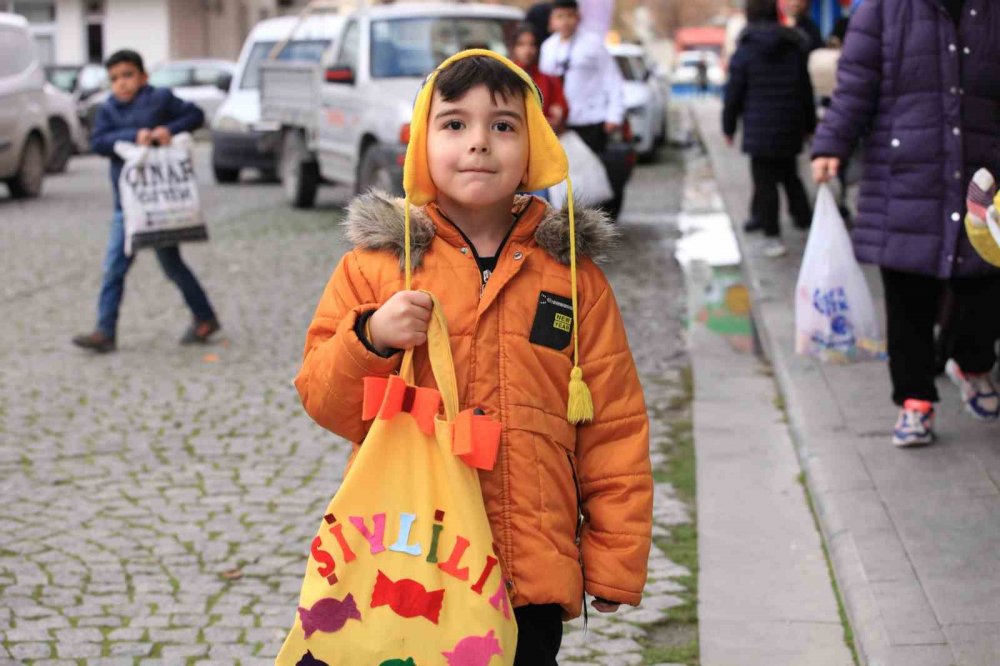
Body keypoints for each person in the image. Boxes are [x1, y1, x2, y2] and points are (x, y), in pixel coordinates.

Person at [293, 51, 652, 665]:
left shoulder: (572, 277)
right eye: (455, 124)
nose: (479, 143)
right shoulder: (378, 267)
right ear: (420, 145)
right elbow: (326, 401)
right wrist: (372, 336)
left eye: (503, 126)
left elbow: (614, 424)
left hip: (528, 571)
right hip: (415, 562)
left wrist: (616, 556)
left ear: (534, 145)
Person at [812, 0, 1000, 446]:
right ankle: (915, 402)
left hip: (983, 174)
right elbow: (855, 85)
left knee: (988, 279)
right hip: (906, 173)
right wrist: (831, 145)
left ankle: (971, 362)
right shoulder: (881, 9)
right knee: (909, 293)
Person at [72, 49, 220, 353]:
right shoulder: (108, 109)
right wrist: (131, 135)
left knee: (171, 265)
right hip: (126, 205)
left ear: (143, 76)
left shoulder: (161, 99)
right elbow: (98, 142)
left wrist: (169, 130)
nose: (122, 83)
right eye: (114, 79)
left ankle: (204, 317)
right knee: (115, 267)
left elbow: (195, 115)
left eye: (127, 75)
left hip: (160, 204)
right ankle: (105, 331)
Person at [722, 0, 815, 258]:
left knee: (765, 184)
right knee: (790, 176)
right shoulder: (794, 46)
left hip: (759, 128)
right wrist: (810, 126)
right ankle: (806, 223)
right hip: (789, 125)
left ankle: (772, 236)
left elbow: (734, 93)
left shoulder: (745, 50)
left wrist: (728, 126)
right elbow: (805, 90)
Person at [539, 0, 624, 158]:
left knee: (590, 170)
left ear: (578, 17)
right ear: (552, 20)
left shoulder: (593, 44)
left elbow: (612, 79)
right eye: (560, 16)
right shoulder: (548, 48)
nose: (565, 22)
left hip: (590, 120)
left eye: (569, 16)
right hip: (560, 123)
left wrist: (614, 115)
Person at [510, 22, 569, 133]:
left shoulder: (548, 79)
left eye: (532, 45)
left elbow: (561, 105)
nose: (527, 50)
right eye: (521, 44)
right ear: (513, 48)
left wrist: (559, 111)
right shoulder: (505, 77)